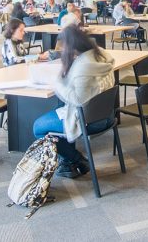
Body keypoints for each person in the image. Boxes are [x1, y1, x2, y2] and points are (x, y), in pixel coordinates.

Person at [31, 25, 116, 179]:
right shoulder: (100, 55)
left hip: (90, 121)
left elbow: (78, 100)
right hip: (107, 115)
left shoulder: (83, 66)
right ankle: (67, 164)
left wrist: (57, 82)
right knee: (59, 109)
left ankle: (76, 159)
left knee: (38, 127)